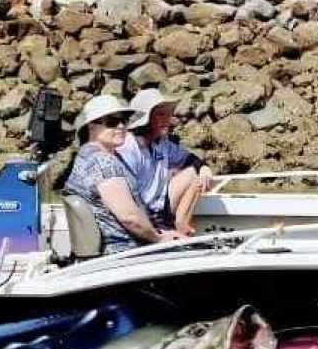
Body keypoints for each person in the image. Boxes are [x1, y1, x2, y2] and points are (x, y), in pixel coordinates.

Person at [64, 95, 183, 254]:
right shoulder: (102, 162)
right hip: (122, 252)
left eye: (124, 120)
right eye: (112, 122)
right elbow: (129, 217)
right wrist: (159, 239)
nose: (121, 126)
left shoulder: (86, 155)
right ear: (91, 126)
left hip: (128, 247)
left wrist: (160, 234)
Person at [117, 89, 213, 236]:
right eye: (160, 114)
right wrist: (155, 231)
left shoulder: (163, 143)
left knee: (197, 175)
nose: (167, 119)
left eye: (168, 114)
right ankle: (168, 230)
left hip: (161, 206)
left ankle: (181, 225)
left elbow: (191, 160)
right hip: (142, 212)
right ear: (146, 119)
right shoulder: (129, 146)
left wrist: (205, 168)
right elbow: (129, 194)